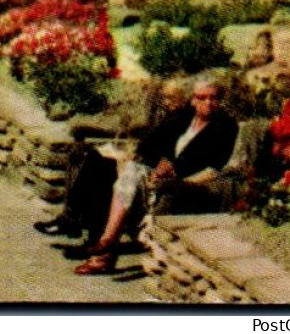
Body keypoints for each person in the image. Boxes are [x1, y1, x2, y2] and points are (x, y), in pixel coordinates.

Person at [38, 80, 239, 275]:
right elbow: (148, 145)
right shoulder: (183, 118)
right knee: (100, 161)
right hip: (153, 175)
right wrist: (160, 162)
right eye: (201, 98)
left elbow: (214, 168)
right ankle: (92, 240)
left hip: (179, 185)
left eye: (214, 98)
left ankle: (99, 245)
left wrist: (174, 172)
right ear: (193, 100)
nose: (208, 103)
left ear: (220, 100)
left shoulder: (225, 127)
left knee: (121, 172)